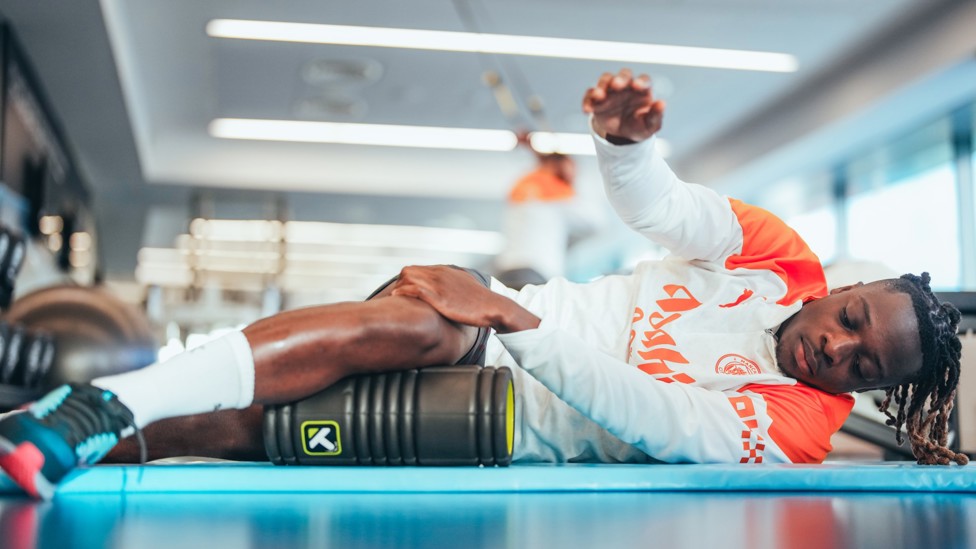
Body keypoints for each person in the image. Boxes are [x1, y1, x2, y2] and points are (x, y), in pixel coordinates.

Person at [0, 69, 967, 500]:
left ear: (865, 391)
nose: (837, 346)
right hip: (479, 328)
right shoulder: (777, 257)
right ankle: (90, 407)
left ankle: (57, 432)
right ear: (847, 286)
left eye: (861, 365)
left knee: (242, 428)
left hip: (504, 417)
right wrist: (623, 147)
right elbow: (662, 207)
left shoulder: (793, 429)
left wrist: (514, 314)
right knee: (418, 326)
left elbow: (653, 419)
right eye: (851, 319)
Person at [494, 134, 602, 289]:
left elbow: (547, 167)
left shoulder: (525, 184)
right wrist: (573, 181)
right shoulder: (558, 196)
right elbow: (596, 222)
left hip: (507, 269)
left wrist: (533, 150)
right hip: (536, 271)